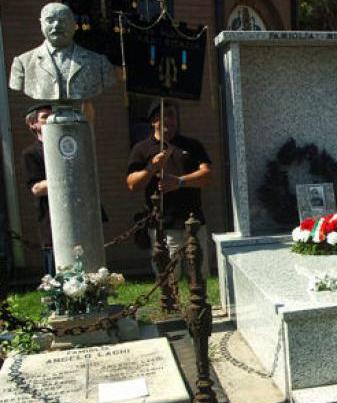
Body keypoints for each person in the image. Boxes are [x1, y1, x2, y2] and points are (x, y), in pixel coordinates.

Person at [126, 101, 212, 277]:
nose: (169, 120)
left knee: (199, 277)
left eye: (172, 115)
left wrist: (179, 181)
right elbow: (132, 184)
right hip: (163, 227)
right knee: (168, 280)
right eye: (163, 115)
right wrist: (151, 167)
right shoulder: (141, 148)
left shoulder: (192, 145)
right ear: (153, 121)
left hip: (194, 224)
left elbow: (207, 175)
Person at [9, 2, 115, 101]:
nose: (56, 25)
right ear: (41, 23)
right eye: (50, 20)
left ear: (73, 24)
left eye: (63, 20)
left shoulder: (99, 63)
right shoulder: (22, 64)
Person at [22, 103, 55, 275]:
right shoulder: (31, 153)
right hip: (51, 218)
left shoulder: (65, 145)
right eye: (45, 117)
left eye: (53, 116)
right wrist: (63, 179)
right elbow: (36, 188)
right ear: (33, 124)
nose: (51, 120)